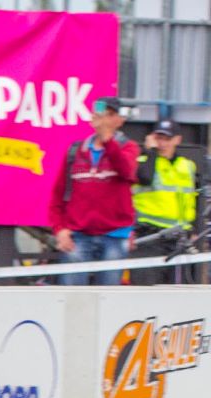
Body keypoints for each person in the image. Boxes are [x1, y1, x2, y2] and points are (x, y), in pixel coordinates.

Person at [48, 97, 140, 285]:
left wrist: (107, 139)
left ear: (120, 120)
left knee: (108, 295)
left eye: (110, 115)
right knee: (72, 295)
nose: (104, 119)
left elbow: (126, 171)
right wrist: (60, 229)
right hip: (78, 235)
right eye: (101, 114)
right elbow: (58, 195)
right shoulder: (75, 151)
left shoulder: (129, 147)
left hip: (115, 235)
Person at [131, 119, 201, 285]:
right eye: (159, 138)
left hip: (179, 238)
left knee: (178, 291)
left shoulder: (187, 166)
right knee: (146, 287)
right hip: (149, 236)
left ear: (177, 139)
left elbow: (194, 198)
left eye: (167, 139)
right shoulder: (143, 162)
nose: (162, 143)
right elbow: (145, 178)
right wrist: (150, 151)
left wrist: (195, 228)